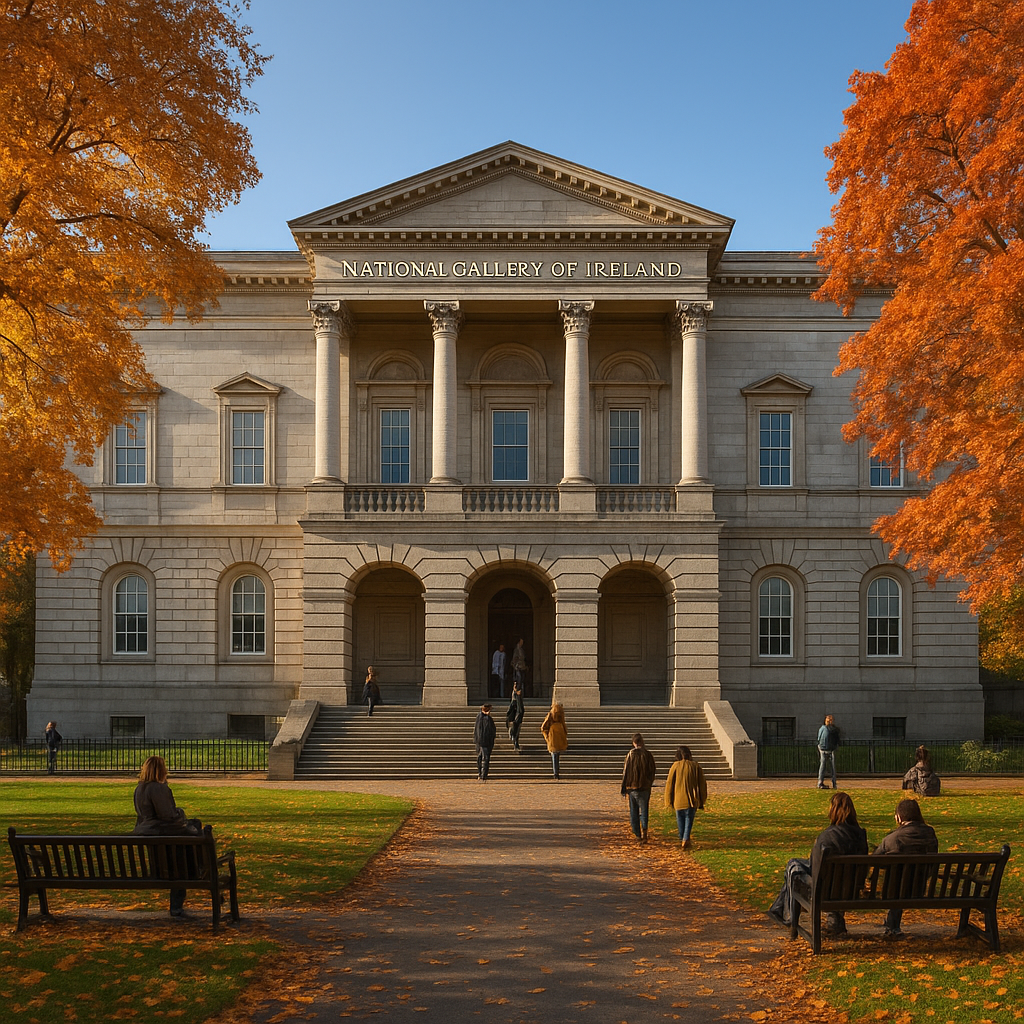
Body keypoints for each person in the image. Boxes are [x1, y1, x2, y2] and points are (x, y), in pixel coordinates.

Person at [768, 790, 868, 935]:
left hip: (823, 891)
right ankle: (779, 909)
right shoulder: (860, 836)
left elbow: (815, 868)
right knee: (796, 865)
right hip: (851, 890)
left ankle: (787, 915)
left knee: (793, 867)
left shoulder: (827, 837)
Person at [132, 755, 202, 918]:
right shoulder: (158, 788)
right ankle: (199, 870)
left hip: (148, 833)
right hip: (163, 832)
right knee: (195, 829)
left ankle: (197, 868)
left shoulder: (139, 789)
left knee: (192, 830)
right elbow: (168, 816)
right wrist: (181, 813)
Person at [873, 797, 939, 939]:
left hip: (894, 891)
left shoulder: (893, 838)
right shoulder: (930, 834)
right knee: (902, 881)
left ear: (899, 817)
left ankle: (892, 926)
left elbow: (876, 859)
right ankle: (892, 925)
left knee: (897, 882)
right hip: (919, 887)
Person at [663, 745, 707, 850]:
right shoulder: (695, 766)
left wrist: (668, 800)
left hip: (678, 800)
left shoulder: (675, 766)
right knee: (688, 820)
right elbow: (702, 785)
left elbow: (669, 784)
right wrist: (702, 800)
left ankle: (683, 838)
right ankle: (685, 839)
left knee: (680, 820)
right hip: (691, 800)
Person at [621, 732, 657, 842]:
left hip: (632, 787)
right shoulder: (648, 754)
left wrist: (624, 787)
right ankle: (644, 830)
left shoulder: (630, 755)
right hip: (644, 786)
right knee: (644, 810)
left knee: (634, 812)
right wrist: (649, 782)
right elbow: (652, 770)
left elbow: (626, 772)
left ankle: (637, 834)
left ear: (633, 742)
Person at [540, 701, 568, 780]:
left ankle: (555, 773)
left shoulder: (550, 715)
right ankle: (557, 772)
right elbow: (564, 724)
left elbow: (543, 726)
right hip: (559, 732)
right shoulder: (560, 715)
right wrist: (565, 733)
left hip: (552, 733)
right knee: (557, 755)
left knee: (554, 754)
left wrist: (546, 735)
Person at [473, 703, 496, 781]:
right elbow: (481, 730)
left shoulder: (486, 717)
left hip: (485, 741)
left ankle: (481, 773)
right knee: (485, 758)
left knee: (481, 757)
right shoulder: (481, 717)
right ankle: (483, 774)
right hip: (483, 741)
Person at [816, 714, 839, 789]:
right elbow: (837, 739)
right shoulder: (834, 730)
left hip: (822, 748)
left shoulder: (822, 728)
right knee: (832, 767)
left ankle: (820, 782)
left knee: (822, 766)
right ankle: (834, 783)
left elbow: (819, 738)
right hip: (831, 749)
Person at [505, 676, 525, 752]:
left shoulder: (518, 695)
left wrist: (517, 696)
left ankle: (515, 742)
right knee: (513, 729)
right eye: (514, 685)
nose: (516, 686)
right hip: (513, 715)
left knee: (516, 730)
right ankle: (514, 740)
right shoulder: (514, 694)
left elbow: (520, 708)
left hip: (517, 716)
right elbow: (512, 705)